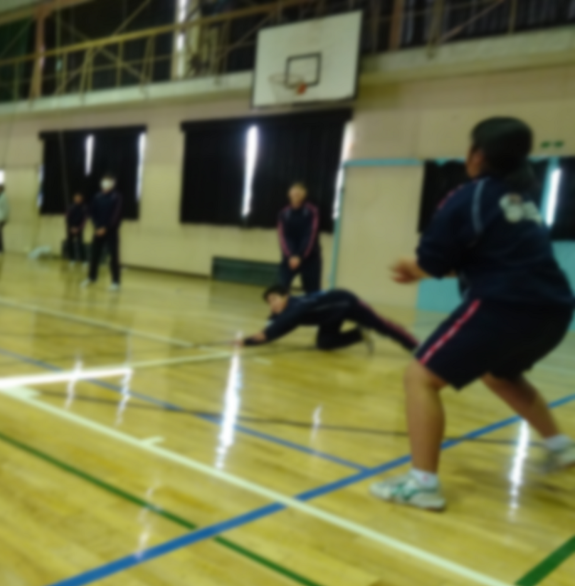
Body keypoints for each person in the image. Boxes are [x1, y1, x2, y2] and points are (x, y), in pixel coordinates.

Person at [370, 117, 575, 512]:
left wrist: (412, 267)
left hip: (504, 305)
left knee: (420, 378)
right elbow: (484, 257)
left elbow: (432, 261)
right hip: (554, 308)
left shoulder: (469, 196)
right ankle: (560, 445)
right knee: (499, 375)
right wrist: (426, 268)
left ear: (477, 154)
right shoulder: (522, 199)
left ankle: (422, 484)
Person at [239, 285, 419, 352]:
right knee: (324, 343)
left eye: (274, 299)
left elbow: (286, 321)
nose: (272, 304)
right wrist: (248, 342)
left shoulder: (296, 304)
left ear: (286, 296)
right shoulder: (288, 311)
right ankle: (359, 334)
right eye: (269, 302)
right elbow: (282, 328)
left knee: (382, 326)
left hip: (347, 303)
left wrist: (265, 332)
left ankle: (416, 346)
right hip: (330, 317)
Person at [278, 182, 322, 294]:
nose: (296, 192)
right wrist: (291, 256)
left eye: (300, 190)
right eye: (294, 190)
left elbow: (310, 235)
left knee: (312, 293)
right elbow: (284, 236)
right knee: (280, 289)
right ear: (289, 193)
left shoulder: (312, 211)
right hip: (289, 258)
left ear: (305, 194)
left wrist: (300, 256)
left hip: (310, 259)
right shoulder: (284, 213)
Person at [82, 173, 122, 291]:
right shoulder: (97, 196)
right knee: (94, 254)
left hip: (111, 231)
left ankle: (115, 282)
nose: (106, 183)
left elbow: (116, 214)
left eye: (108, 181)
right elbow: (92, 212)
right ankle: (92, 277)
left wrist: (106, 228)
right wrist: (97, 227)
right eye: (104, 181)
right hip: (98, 230)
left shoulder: (116, 197)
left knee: (114, 256)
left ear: (112, 184)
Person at [66, 192, 88, 266]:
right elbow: (67, 218)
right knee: (70, 243)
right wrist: (71, 227)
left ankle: (84, 260)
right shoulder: (70, 207)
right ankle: (72, 258)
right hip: (71, 228)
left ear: (81, 199)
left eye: (79, 198)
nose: (77, 199)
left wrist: (78, 228)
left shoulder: (84, 208)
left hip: (79, 229)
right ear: (74, 199)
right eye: (76, 198)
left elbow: (84, 220)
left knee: (80, 244)